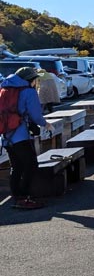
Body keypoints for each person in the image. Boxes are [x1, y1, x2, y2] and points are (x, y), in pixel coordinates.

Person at [0, 67, 51, 209]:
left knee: (16, 167)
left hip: (6, 136)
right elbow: (35, 114)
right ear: (29, 79)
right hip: (20, 135)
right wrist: (45, 124)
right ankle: (25, 197)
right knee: (31, 165)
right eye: (35, 79)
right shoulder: (28, 91)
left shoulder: (5, 88)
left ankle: (18, 197)